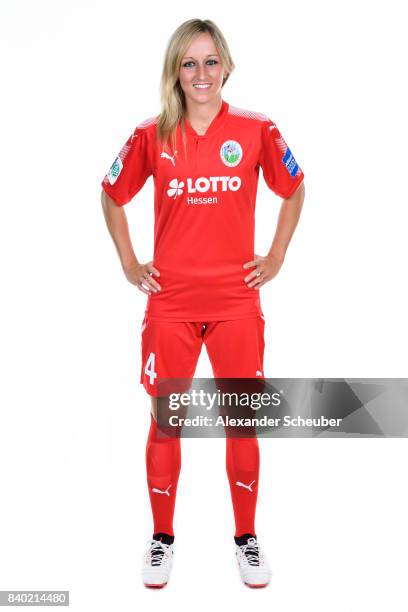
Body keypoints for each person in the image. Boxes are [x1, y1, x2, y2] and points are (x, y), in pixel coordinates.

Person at [100, 18, 305, 589]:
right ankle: (162, 537)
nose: (201, 73)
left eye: (210, 61)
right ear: (175, 71)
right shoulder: (151, 136)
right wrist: (129, 264)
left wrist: (277, 254)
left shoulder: (257, 129)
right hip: (170, 305)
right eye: (189, 63)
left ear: (227, 67)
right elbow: (111, 195)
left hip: (238, 304)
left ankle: (247, 538)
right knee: (168, 423)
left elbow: (295, 188)